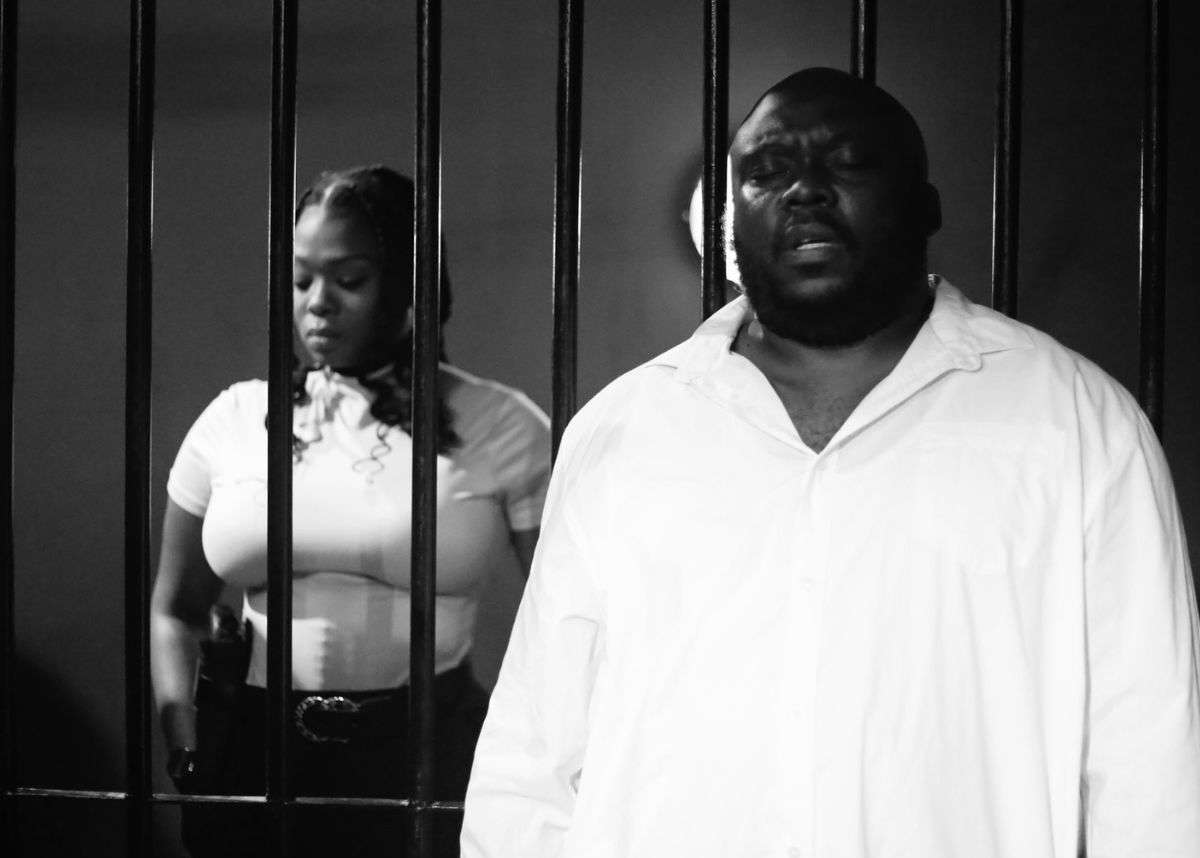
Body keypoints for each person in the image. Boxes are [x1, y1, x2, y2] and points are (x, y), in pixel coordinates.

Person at [461, 68, 1200, 857]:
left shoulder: (1076, 424)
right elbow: (535, 756)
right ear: (728, 218)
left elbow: (1150, 761)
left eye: (848, 162)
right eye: (767, 170)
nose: (804, 189)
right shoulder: (624, 431)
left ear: (925, 205)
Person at [150, 165, 551, 857]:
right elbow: (175, 608)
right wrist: (185, 740)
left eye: (350, 279)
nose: (318, 303)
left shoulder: (500, 424)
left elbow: (570, 614)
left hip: (425, 755)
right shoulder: (235, 419)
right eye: (301, 279)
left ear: (409, 285)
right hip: (253, 756)